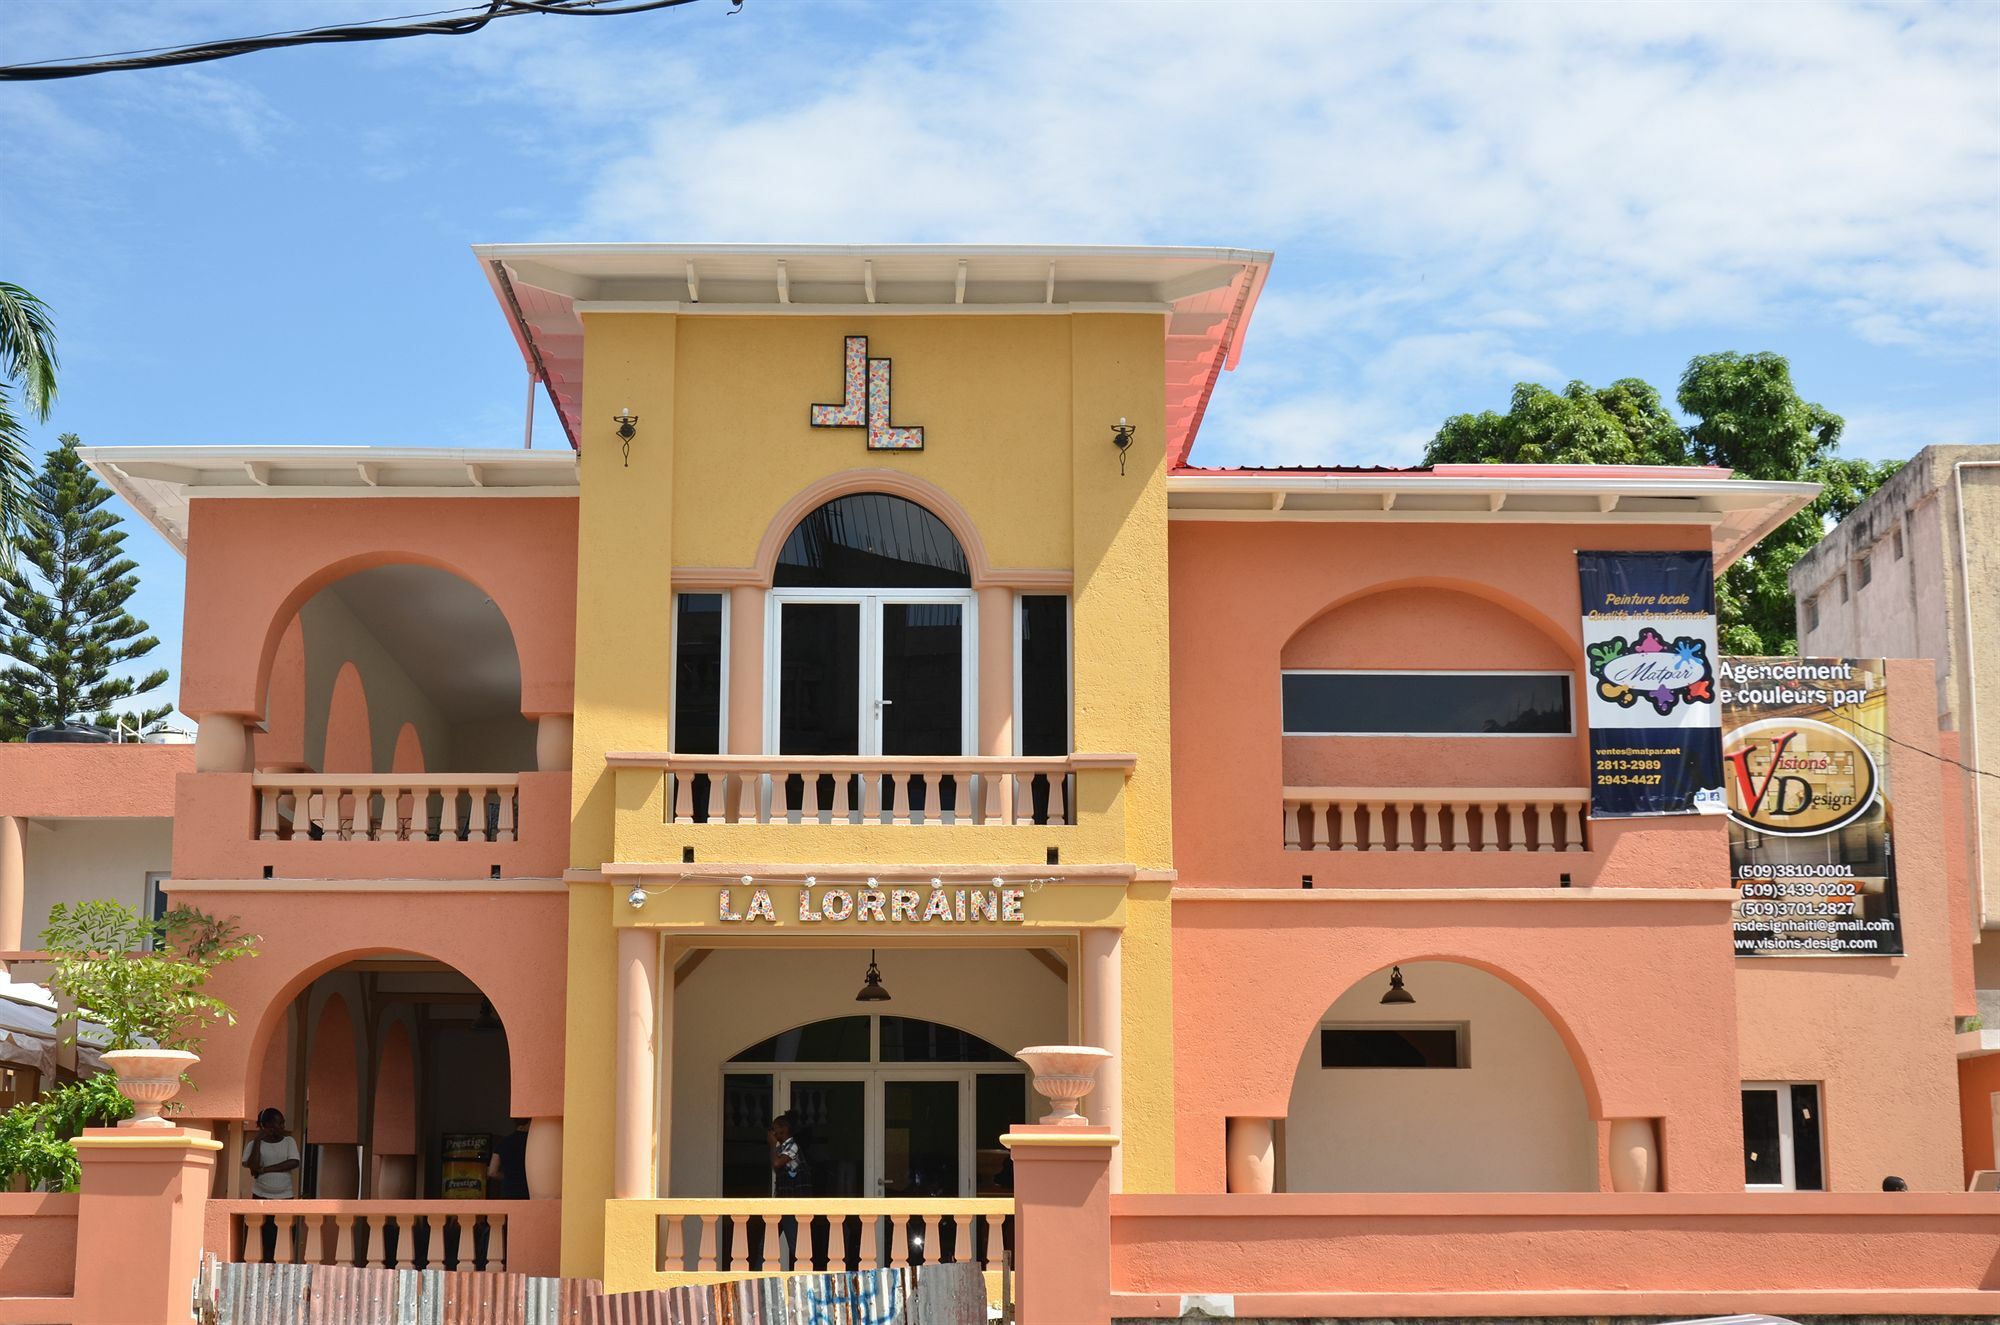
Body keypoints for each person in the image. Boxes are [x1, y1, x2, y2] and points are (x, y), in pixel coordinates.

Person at [243, 1108, 301, 1260]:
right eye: (277, 1123)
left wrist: (266, 1169)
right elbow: (252, 1165)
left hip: (285, 1196)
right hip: (261, 1195)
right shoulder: (253, 1144)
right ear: (267, 1125)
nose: (281, 1127)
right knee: (264, 1237)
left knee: (284, 1235)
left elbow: (293, 1162)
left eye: (282, 1123)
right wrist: (257, 1141)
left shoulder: (289, 1141)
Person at [768, 1112, 811, 1268]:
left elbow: (777, 1164)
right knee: (766, 1243)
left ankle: (804, 1275)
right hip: (781, 1202)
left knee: (795, 1244)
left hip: (791, 1204)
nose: (772, 1133)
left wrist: (772, 1144)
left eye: (774, 1129)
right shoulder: (782, 1148)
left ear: (783, 1129)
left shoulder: (792, 1146)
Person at [488, 1118, 531, 1200]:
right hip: (528, 1191)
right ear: (529, 1122)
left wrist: (508, 1177)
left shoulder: (503, 1142)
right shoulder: (533, 1142)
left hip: (508, 1192)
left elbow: (492, 1172)